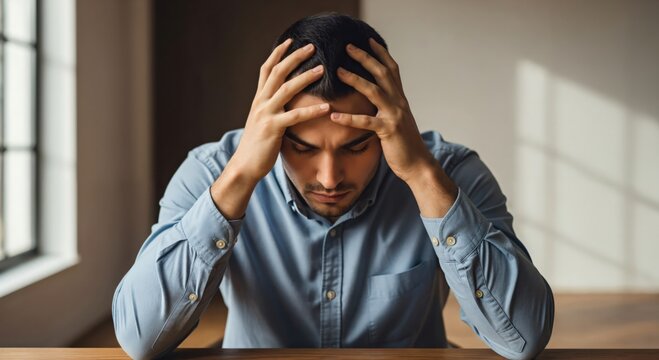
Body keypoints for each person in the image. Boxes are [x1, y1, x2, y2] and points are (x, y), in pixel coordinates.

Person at [112, 12, 554, 360]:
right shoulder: (212, 173)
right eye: (302, 147)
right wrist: (241, 175)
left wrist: (422, 175)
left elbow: (523, 338)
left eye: (357, 146)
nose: (329, 178)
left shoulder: (450, 172)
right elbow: (140, 338)